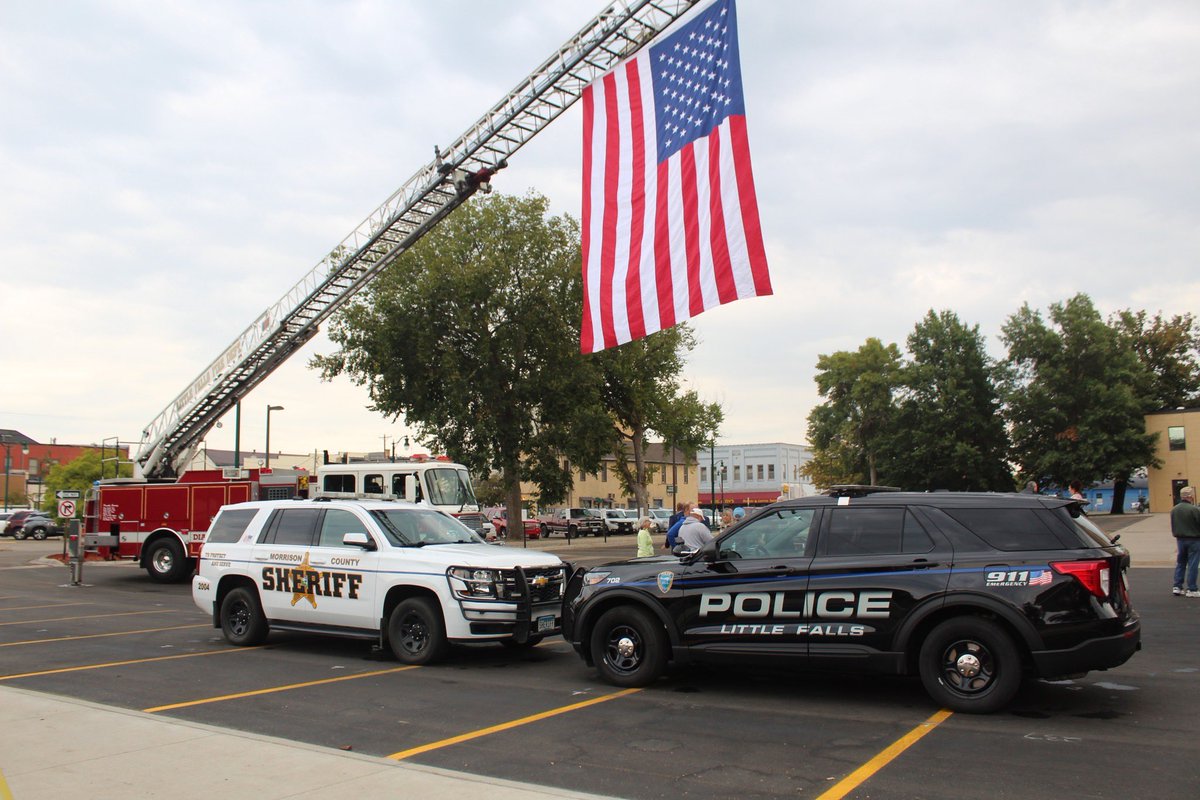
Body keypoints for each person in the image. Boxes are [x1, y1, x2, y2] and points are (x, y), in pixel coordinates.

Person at [1170, 486, 1200, 598]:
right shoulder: (1194, 509)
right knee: (1193, 564)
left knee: (1181, 562)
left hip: (1180, 539)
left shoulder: (1174, 509)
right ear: (1190, 496)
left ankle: (1177, 586)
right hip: (1194, 539)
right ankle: (1192, 588)